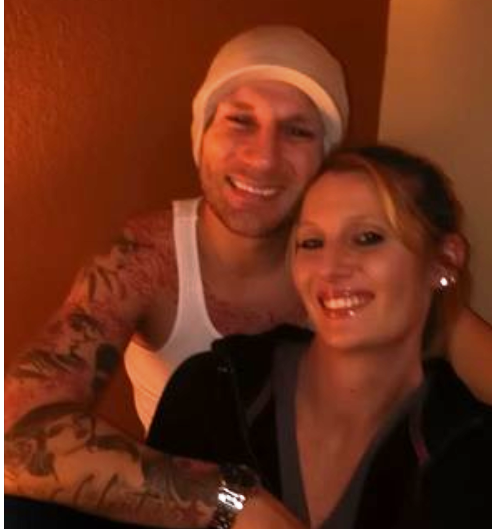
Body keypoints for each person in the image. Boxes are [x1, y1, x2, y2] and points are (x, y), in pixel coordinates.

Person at [4, 24, 492, 527]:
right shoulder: (147, 260)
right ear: (202, 135)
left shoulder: (358, 276)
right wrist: (230, 503)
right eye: (240, 120)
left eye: (298, 131)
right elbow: (11, 436)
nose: (262, 157)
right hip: (188, 500)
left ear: (325, 158)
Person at [147, 145, 492, 528]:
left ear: (445, 260)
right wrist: (230, 503)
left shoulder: (468, 449)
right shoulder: (215, 391)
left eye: (367, 238)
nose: (330, 268)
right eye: (311, 243)